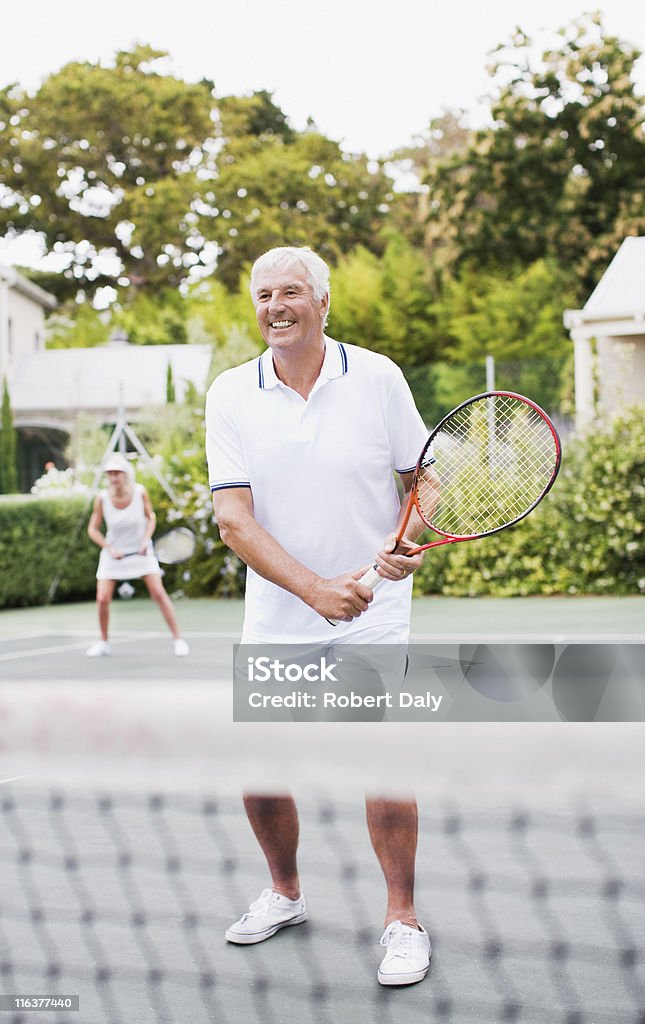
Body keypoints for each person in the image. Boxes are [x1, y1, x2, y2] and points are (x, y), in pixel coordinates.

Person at [205, 246, 438, 986]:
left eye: (291, 293)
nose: (276, 306)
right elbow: (233, 522)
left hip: (373, 611)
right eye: (264, 294)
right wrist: (312, 591)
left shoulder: (378, 377)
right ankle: (284, 893)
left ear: (323, 302)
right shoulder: (230, 393)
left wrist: (411, 537)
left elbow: (422, 481)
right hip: (281, 611)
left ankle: (401, 919)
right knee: (260, 766)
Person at [86, 453, 189, 658]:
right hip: (113, 554)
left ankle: (178, 640)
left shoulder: (140, 492)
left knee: (159, 594)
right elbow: (93, 530)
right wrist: (109, 548)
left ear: (125, 474)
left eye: (117, 473)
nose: (113, 477)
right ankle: (104, 642)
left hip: (142, 552)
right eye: (110, 474)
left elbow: (150, 518)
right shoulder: (102, 498)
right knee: (102, 598)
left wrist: (145, 541)